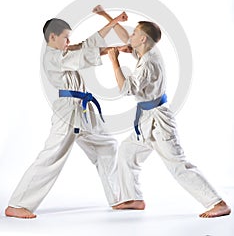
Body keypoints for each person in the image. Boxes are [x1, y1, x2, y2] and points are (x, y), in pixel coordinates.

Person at [5, 11, 128, 219]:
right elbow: (83, 55)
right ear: (52, 37)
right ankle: (18, 203)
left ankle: (118, 198)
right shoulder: (53, 56)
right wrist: (110, 51)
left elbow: (87, 44)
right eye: (65, 37)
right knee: (52, 155)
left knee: (106, 145)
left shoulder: (64, 51)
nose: (68, 41)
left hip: (83, 110)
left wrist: (113, 24)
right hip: (68, 111)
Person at [105, 16, 231, 218]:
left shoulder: (148, 64)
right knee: (127, 152)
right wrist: (106, 17)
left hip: (159, 122)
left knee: (178, 165)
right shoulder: (149, 51)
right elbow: (128, 40)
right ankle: (134, 198)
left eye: (135, 33)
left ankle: (217, 202)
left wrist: (114, 62)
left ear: (144, 39)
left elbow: (126, 88)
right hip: (146, 120)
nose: (131, 36)